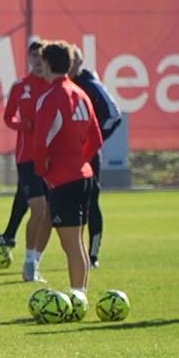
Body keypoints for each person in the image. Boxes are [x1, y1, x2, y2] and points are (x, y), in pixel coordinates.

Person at [28, 41, 102, 296]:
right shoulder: (81, 93)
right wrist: (80, 160)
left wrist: (43, 169)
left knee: (71, 244)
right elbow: (96, 138)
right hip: (83, 176)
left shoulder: (50, 97)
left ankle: (78, 296)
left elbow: (39, 141)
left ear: (48, 64)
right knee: (76, 242)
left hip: (63, 179)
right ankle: (79, 293)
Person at [0, 40, 52, 282]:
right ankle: (28, 262)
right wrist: (23, 125)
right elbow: (8, 117)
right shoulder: (21, 86)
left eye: (41, 56)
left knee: (49, 214)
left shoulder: (53, 86)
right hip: (27, 157)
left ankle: (32, 258)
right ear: (28, 58)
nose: (37, 61)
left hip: (51, 158)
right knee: (39, 209)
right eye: (33, 56)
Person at [69, 47, 123, 268]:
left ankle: (92, 254)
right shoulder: (59, 85)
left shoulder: (89, 84)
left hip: (87, 156)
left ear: (77, 62)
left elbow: (114, 115)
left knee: (90, 201)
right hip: (63, 157)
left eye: (72, 59)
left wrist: (91, 142)